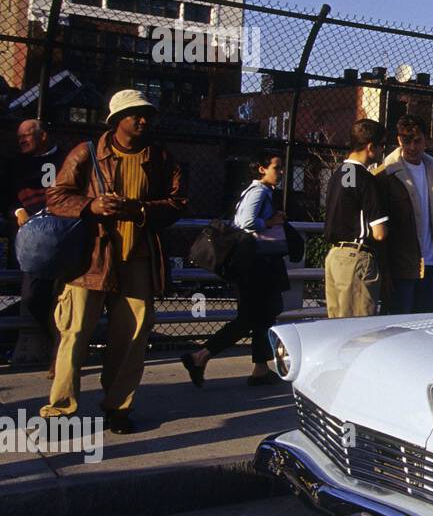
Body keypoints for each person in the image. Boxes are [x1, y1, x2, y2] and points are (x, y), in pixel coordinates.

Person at [42, 90, 187, 432]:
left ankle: (118, 407)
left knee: (132, 336)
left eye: (147, 114)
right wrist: (90, 207)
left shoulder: (161, 157)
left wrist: (139, 209)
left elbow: (179, 203)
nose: (143, 120)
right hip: (89, 261)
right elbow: (56, 196)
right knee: (75, 333)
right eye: (135, 114)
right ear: (116, 120)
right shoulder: (86, 152)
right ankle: (60, 409)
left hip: (137, 258)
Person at [181, 151, 289, 387]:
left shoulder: (259, 191)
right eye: (276, 168)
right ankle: (200, 356)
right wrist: (269, 222)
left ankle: (260, 369)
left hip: (253, 264)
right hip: (254, 265)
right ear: (262, 169)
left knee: (263, 316)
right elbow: (245, 222)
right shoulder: (259, 191)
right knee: (251, 317)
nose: (280, 173)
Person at [373, 116, 433, 314]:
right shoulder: (385, 174)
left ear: (426, 140)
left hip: (430, 262)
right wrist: (384, 268)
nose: (411, 146)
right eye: (406, 141)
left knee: (423, 325)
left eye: (417, 140)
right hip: (400, 265)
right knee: (398, 324)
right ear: (398, 140)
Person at [323, 120, 389, 318]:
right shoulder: (366, 179)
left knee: (338, 326)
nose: (382, 150)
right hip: (356, 259)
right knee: (357, 330)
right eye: (381, 145)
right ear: (370, 147)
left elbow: (349, 199)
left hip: (335, 257)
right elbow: (379, 233)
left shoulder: (341, 173)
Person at [10, 119, 63, 350]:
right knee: (33, 294)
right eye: (19, 137)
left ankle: (60, 348)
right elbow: (6, 193)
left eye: (27, 136)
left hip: (62, 233)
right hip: (31, 237)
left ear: (43, 136)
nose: (21, 141)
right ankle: (45, 340)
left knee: (61, 292)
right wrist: (18, 210)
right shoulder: (16, 164)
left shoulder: (66, 159)